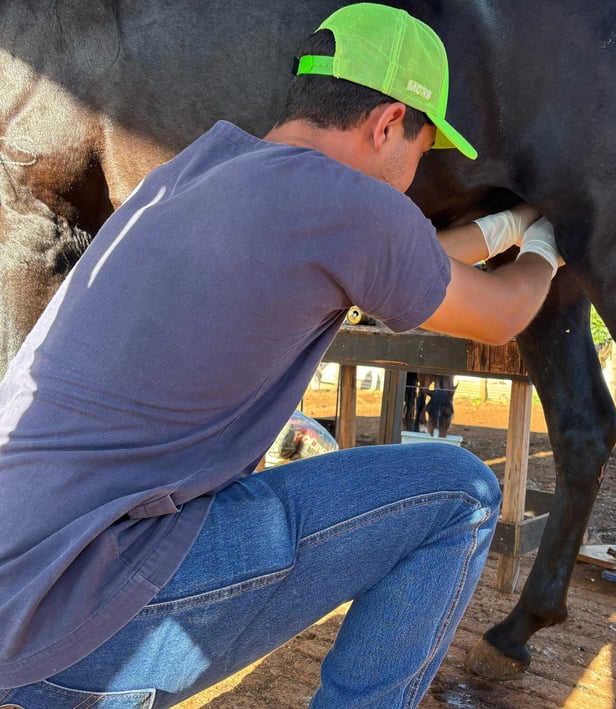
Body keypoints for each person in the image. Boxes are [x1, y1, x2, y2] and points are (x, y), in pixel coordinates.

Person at [0, 4, 562, 708]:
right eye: (421, 153)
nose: (415, 177)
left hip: (20, 582)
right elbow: (504, 311)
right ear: (389, 122)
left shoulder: (191, 174)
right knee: (460, 494)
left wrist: (504, 228)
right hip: (74, 627)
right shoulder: (350, 206)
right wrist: (546, 248)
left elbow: (400, 264)